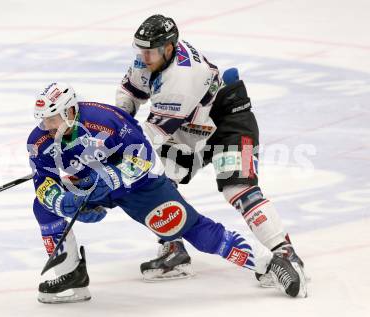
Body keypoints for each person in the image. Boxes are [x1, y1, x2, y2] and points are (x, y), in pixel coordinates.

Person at [27, 82, 307, 303]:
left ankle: (270, 264)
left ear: (70, 111)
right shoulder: (39, 141)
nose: (46, 127)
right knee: (42, 207)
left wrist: (113, 177)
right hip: (93, 187)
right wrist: (63, 201)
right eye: (43, 120)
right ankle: (70, 274)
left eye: (52, 119)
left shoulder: (107, 119)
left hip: (140, 186)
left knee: (191, 228)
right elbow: (43, 182)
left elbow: (144, 158)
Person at [115, 14, 306, 285]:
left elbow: (151, 136)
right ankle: (173, 248)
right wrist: (117, 122)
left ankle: (285, 253)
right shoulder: (151, 56)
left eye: (150, 52)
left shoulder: (182, 78)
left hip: (228, 121)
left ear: (169, 48)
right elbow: (131, 94)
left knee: (238, 188)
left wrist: (113, 146)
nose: (144, 58)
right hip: (190, 127)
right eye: (141, 50)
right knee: (155, 183)